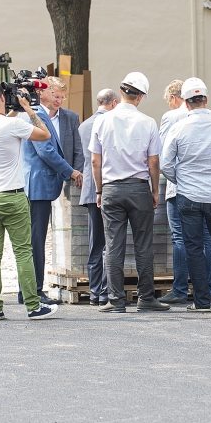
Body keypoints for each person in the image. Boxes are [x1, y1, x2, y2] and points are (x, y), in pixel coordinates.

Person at [0, 80, 58, 320]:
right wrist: (28, 109)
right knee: (23, 252)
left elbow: (1, 121)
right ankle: (33, 306)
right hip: (12, 195)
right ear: (3, 98)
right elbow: (45, 134)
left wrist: (14, 110)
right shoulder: (13, 125)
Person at [161, 78, 211, 312]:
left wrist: (181, 180)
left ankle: (201, 302)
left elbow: (166, 164)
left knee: (193, 247)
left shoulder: (178, 127)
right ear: (206, 99)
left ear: (186, 103)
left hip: (188, 195)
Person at [90, 71, 169, 313]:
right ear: (141, 96)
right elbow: (153, 162)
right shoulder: (148, 122)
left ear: (121, 91)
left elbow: (95, 161)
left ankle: (115, 300)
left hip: (111, 188)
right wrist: (154, 190)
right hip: (138, 188)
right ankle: (146, 297)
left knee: (114, 245)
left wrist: (99, 190)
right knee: (143, 245)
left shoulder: (102, 121)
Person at [20, 76, 83, 305]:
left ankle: (29, 290)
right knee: (35, 241)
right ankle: (33, 291)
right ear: (41, 93)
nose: (58, 99)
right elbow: (45, 150)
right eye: (53, 93)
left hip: (42, 184)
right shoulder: (36, 114)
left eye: (61, 96)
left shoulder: (38, 114)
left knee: (34, 241)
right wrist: (71, 172)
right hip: (38, 185)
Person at [159, 80, 211, 305]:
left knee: (180, 238)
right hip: (209, 188)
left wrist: (177, 180)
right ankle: (210, 288)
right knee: (208, 238)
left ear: (176, 98)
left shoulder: (171, 117)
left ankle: (180, 289)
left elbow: (164, 155)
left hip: (180, 188)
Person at [77, 88, 119, 307]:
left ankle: (94, 292)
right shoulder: (112, 123)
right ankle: (105, 291)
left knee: (95, 242)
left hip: (89, 188)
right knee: (109, 241)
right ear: (114, 103)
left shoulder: (83, 125)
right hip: (109, 186)